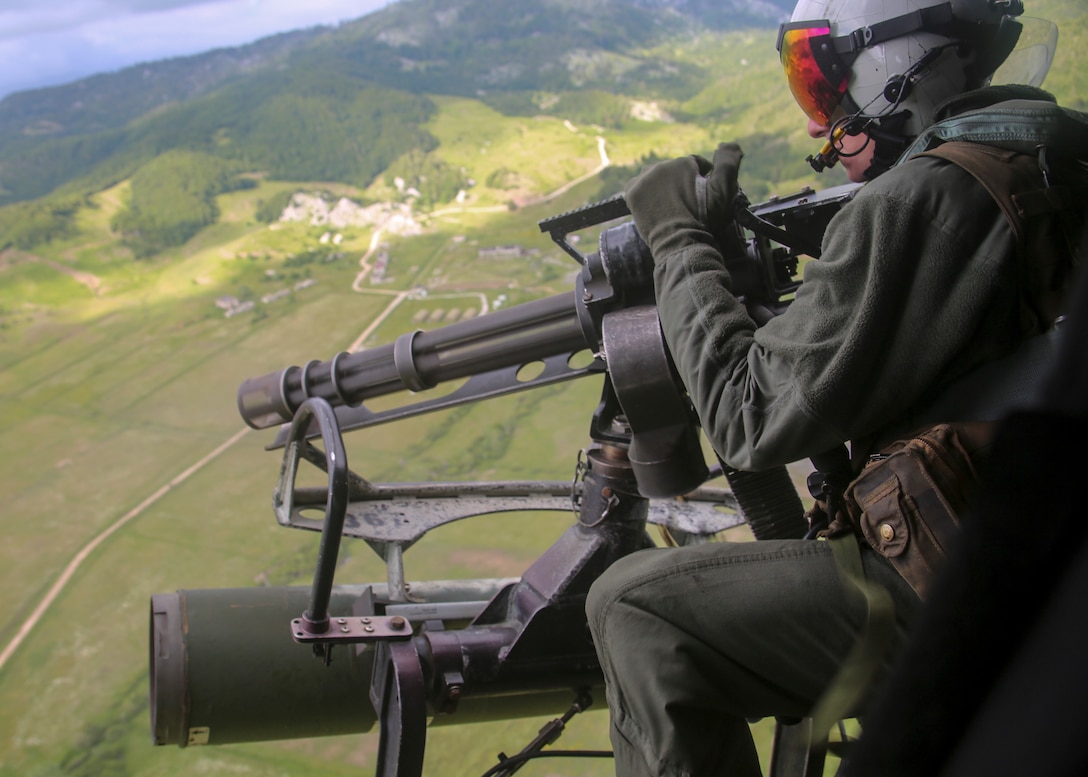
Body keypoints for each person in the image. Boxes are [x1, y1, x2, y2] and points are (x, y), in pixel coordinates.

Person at [584, 0, 1087, 774]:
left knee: (635, 610)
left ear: (895, 60)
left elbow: (749, 417)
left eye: (825, 80)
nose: (828, 122)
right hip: (1037, 561)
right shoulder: (1051, 153)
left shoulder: (922, 202)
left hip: (971, 594)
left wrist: (679, 238)